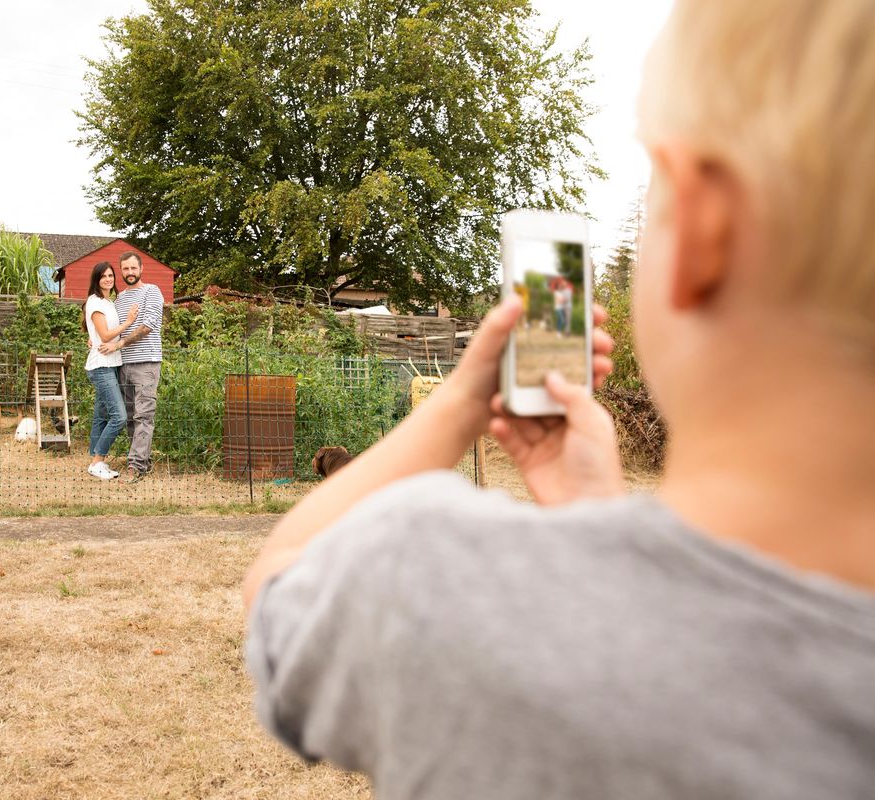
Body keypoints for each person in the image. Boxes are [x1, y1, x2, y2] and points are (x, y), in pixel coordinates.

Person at [242, 1, 875, 798]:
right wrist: (597, 517)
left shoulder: (432, 571)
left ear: (706, 227)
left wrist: (461, 402)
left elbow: (275, 588)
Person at [102, 251, 164, 483]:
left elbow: (147, 325)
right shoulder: (119, 299)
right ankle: (140, 462)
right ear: (121, 271)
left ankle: (135, 467)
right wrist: (99, 341)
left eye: (133, 268)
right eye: (125, 269)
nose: (129, 273)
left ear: (141, 269)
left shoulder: (152, 292)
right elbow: (112, 328)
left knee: (143, 416)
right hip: (123, 364)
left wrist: (121, 343)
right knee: (128, 416)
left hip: (146, 362)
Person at [84, 261, 137, 480]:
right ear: (96, 280)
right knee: (119, 416)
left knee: (102, 415)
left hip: (111, 364)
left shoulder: (108, 302)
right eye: (103, 276)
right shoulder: (95, 302)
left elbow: (97, 334)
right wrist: (129, 322)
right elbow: (106, 336)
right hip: (101, 366)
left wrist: (92, 338)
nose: (108, 279)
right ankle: (98, 461)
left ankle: (95, 460)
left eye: (110, 275)